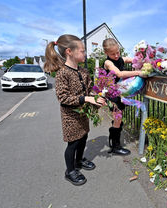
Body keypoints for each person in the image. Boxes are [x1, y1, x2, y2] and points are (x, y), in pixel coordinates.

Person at [44, 34, 106, 186]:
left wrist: (96, 98)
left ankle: (79, 161)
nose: (85, 54)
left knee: (84, 137)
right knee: (73, 143)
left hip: (83, 114)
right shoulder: (62, 73)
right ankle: (70, 171)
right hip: (70, 116)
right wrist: (85, 99)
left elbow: (90, 90)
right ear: (69, 52)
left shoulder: (84, 71)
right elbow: (63, 98)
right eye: (82, 51)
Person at [102, 38, 145, 155]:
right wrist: (138, 73)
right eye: (112, 54)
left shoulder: (121, 58)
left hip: (118, 91)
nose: (116, 56)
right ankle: (115, 147)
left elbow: (133, 60)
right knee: (118, 118)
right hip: (112, 93)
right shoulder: (108, 63)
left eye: (118, 52)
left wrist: (143, 60)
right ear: (106, 53)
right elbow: (119, 74)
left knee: (118, 118)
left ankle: (114, 143)